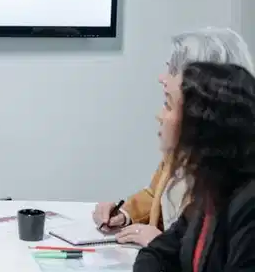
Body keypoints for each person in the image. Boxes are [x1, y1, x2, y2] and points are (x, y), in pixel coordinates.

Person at [92, 27, 255, 246]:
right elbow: (157, 198)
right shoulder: (186, 148)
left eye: (174, 69)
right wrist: (125, 214)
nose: (162, 78)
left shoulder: (236, 181)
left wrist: (163, 246)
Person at [133, 62, 255, 271]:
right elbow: (157, 253)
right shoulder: (208, 192)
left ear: (199, 122)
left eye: (168, 105)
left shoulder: (248, 205)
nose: (160, 116)